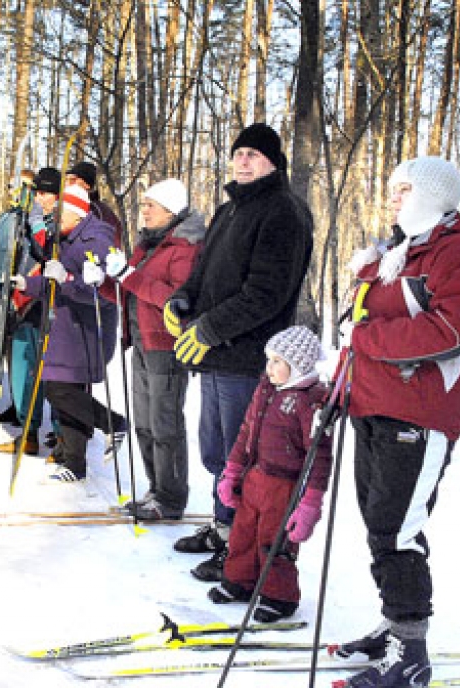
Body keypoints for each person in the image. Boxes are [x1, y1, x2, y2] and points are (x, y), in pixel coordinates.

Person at [331, 156, 460, 688]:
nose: (393, 198)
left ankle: (411, 653)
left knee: (397, 531)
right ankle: (393, 624)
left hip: (419, 414)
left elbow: (451, 331)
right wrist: (342, 382)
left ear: (432, 193)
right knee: (379, 523)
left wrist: (365, 339)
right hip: (371, 405)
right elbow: (355, 320)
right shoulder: (397, 251)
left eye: (402, 189)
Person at [165, 123, 314, 583]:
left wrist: (209, 328)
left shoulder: (284, 212)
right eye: (238, 153)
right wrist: (182, 300)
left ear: (274, 161)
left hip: (250, 357)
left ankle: (241, 545)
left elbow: (266, 294)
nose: (243, 161)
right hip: (213, 356)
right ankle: (222, 526)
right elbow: (202, 272)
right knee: (217, 453)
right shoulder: (229, 211)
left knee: (241, 456)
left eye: (253, 154)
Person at [90, 178, 205, 519]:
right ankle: (156, 489)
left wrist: (128, 274)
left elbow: (174, 299)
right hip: (141, 341)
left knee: (164, 422)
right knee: (143, 422)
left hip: (167, 345)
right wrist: (105, 284)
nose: (144, 211)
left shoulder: (185, 247)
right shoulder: (148, 245)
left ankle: (170, 498)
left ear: (170, 210)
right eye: (143, 205)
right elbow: (132, 294)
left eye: (150, 206)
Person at [206, 325, 331, 622]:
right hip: (255, 476)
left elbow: (320, 457)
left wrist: (311, 503)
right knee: (243, 533)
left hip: (284, 486)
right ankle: (241, 581)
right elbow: (245, 432)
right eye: (269, 360)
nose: (269, 368)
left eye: (277, 362)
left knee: (274, 540)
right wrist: (232, 471)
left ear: (298, 365)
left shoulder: (309, 401)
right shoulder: (265, 390)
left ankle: (279, 595)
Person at [13, 184, 120, 482]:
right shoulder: (65, 238)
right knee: (66, 393)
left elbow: (98, 292)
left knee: (59, 390)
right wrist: (26, 284)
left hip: (84, 328)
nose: (55, 220)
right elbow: (51, 279)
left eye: (60, 214)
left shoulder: (95, 240)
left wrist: (67, 278)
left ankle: (113, 423)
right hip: (64, 323)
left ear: (75, 213)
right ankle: (75, 463)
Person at [0, 168, 38, 448]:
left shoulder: (35, 220)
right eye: (10, 187)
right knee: (9, 351)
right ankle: (17, 404)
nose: (12, 192)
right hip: (8, 294)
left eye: (18, 187)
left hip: (29, 296)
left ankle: (30, 410)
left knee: (27, 355)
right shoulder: (6, 219)